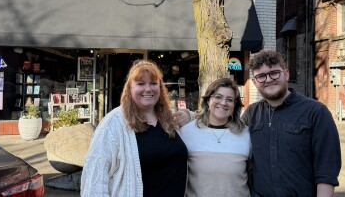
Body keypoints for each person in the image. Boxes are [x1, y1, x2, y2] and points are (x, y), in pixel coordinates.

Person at [80, 60, 187, 197]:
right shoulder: (113, 123)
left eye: (153, 83)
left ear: (160, 88)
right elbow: (94, 180)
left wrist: (190, 115)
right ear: (129, 88)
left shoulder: (169, 119)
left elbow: (209, 116)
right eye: (141, 84)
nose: (148, 89)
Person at [242, 50, 341, 197]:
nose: (268, 79)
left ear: (286, 74)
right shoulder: (251, 114)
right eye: (261, 76)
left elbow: (327, 168)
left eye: (274, 73)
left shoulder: (316, 112)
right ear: (255, 82)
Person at [179, 78, 251, 197]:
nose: (223, 103)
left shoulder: (246, 134)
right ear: (208, 100)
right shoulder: (186, 132)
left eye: (230, 99)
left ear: (235, 105)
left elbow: (253, 174)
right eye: (218, 97)